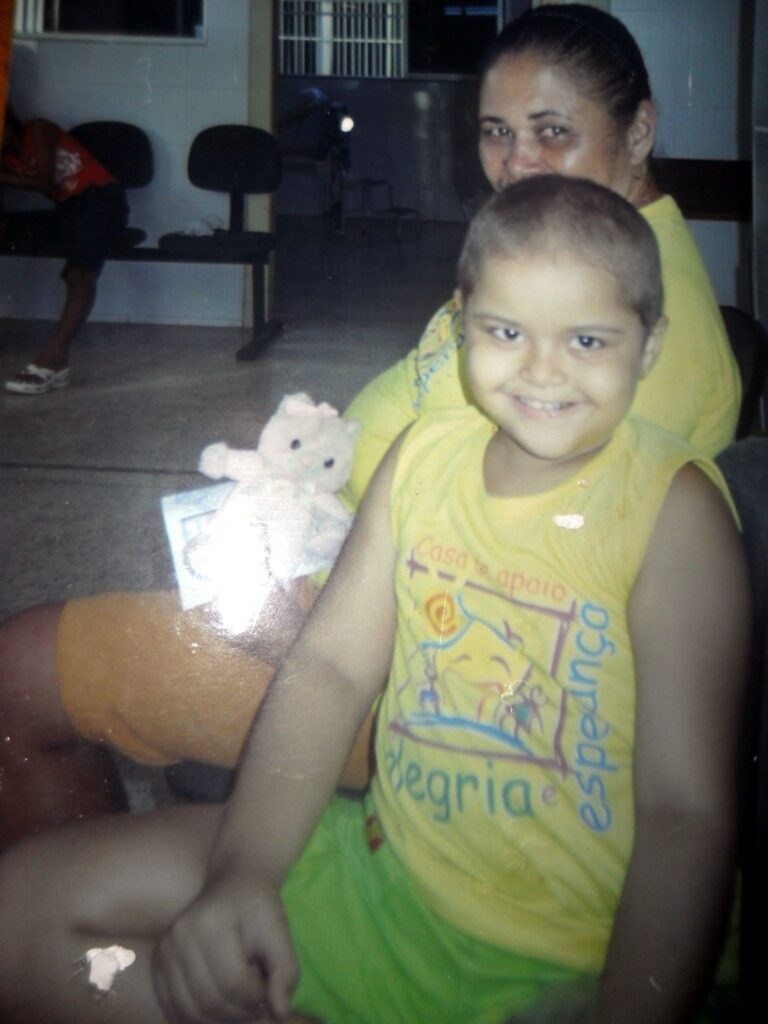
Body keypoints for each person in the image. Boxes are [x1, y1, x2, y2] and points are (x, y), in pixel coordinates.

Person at [0, 175, 750, 1024]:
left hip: (575, 954)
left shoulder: (674, 513)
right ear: (461, 322)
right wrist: (244, 872)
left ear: (649, 346)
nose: (543, 370)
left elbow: (686, 814)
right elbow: (328, 670)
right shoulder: (424, 458)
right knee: (20, 910)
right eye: (506, 332)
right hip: (383, 870)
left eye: (586, 339)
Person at [0, 3, 743, 848]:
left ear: (638, 132)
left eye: (552, 131)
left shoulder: (632, 343)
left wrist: (291, 625)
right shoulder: (566, 254)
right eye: (496, 132)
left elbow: (502, 632)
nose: (516, 163)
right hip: (332, 572)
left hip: (388, 676)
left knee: (18, 673)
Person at [0, 107, 128, 394]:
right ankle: (56, 363)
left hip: (102, 200)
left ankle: (54, 356)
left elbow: (43, 181)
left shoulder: (38, 129)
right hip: (69, 210)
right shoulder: (6, 159)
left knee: (80, 273)